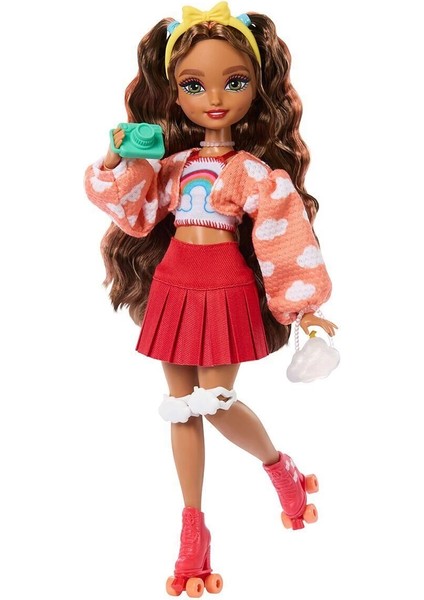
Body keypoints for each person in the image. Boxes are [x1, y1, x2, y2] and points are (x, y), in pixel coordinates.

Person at [84, 3, 337, 596]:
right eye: (194, 85)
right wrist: (121, 156)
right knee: (180, 406)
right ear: (175, 92)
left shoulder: (255, 172)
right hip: (175, 282)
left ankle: (280, 468)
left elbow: (282, 238)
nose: (215, 98)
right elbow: (135, 212)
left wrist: (304, 310)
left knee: (215, 402)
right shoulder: (172, 165)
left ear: (257, 87)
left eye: (235, 81)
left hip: (224, 285)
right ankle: (192, 531)